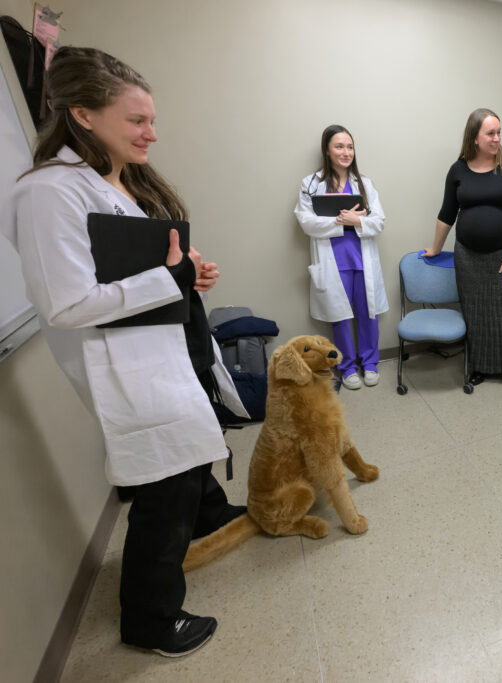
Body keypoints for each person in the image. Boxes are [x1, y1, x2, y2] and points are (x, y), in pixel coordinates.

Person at [8, 46, 248, 657]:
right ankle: (150, 620)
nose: (152, 133)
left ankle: (210, 516)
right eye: (137, 121)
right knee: (163, 487)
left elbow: (138, 264)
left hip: (171, 332)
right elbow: (65, 304)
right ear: (83, 114)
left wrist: (186, 273)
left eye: (151, 120)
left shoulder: (118, 178)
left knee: (196, 440)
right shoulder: (49, 193)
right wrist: (167, 282)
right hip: (131, 361)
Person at [423, 107, 502, 387]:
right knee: (477, 313)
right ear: (474, 137)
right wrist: (436, 249)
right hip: (468, 257)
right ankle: (480, 366)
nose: (496, 138)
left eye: (499, 132)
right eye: (490, 133)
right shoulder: (458, 170)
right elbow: (446, 214)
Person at [294, 125, 388, 390]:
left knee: (367, 313)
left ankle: (370, 363)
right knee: (340, 316)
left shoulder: (364, 184)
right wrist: (343, 221)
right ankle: (347, 368)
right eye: (339, 146)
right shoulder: (311, 184)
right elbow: (306, 222)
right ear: (327, 149)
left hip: (362, 258)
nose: (346, 152)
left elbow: (379, 221)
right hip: (334, 261)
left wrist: (358, 222)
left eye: (350, 146)